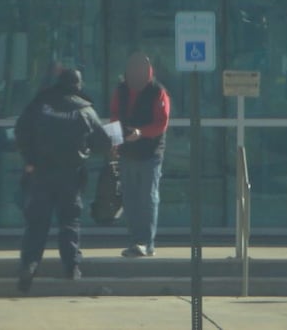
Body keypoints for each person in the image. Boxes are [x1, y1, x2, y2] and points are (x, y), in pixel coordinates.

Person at [14, 68, 111, 293]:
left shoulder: (41, 104)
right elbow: (103, 143)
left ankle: (28, 267)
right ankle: (71, 267)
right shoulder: (84, 110)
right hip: (70, 174)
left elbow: (21, 130)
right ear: (78, 85)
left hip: (41, 173)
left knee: (36, 223)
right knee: (69, 221)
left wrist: (29, 159)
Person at [110, 53, 171, 257]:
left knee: (148, 198)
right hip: (127, 153)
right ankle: (135, 240)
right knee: (130, 199)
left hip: (150, 154)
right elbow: (115, 116)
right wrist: (115, 142)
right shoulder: (121, 90)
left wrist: (141, 133)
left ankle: (146, 243)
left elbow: (161, 124)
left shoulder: (157, 92)